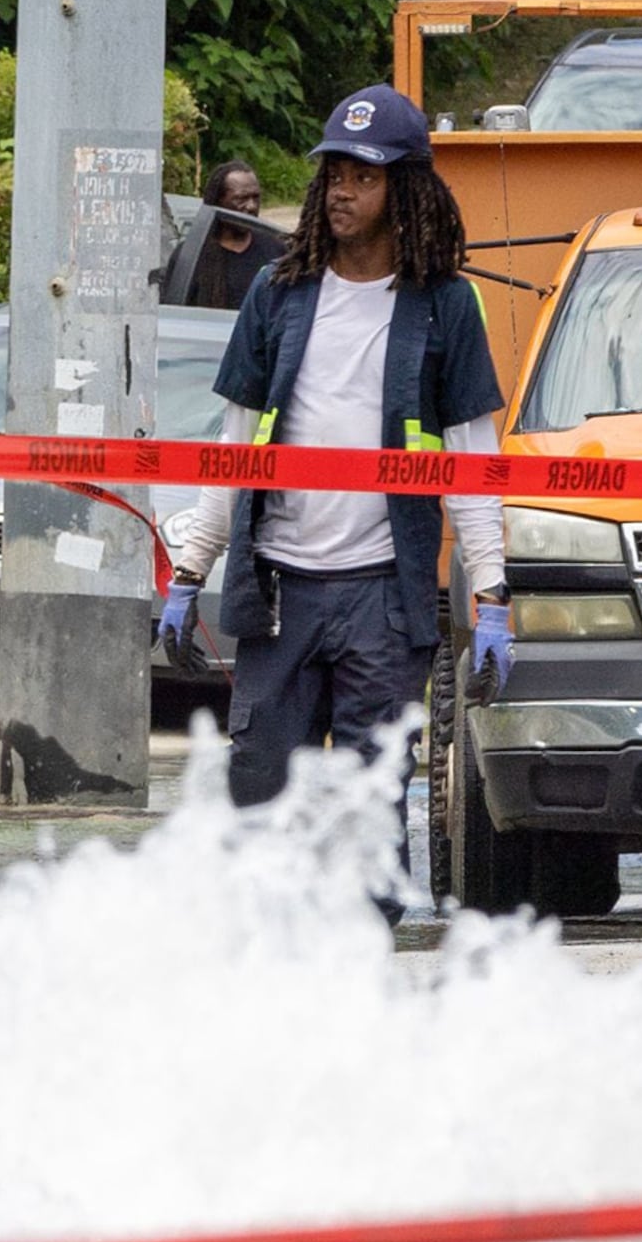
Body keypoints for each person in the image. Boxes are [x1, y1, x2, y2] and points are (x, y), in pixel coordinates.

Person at [157, 84, 508, 812]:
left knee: (366, 807)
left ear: (406, 189)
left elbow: (473, 461)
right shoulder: (276, 292)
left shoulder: (445, 304)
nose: (342, 192)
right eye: (335, 175)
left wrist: (492, 594)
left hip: (383, 600)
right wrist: (191, 568)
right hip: (279, 592)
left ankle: (363, 929)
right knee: (257, 800)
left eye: (364, 177)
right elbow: (235, 445)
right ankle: (271, 932)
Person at [155, 159, 286, 311]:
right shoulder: (191, 255)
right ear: (218, 202)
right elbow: (174, 315)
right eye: (240, 199)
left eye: (255, 197)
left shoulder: (276, 249)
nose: (251, 206)